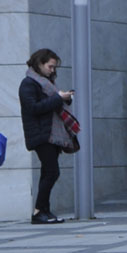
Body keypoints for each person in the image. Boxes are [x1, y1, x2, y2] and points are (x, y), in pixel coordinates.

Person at [18, 48, 76, 224]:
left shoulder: (45, 82)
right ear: (39, 64)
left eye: (54, 67)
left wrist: (64, 98)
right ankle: (38, 211)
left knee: (47, 171)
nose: (53, 70)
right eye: (50, 67)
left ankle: (45, 210)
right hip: (41, 134)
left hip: (50, 133)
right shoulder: (29, 83)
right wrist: (58, 98)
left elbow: (50, 103)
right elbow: (34, 108)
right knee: (52, 171)